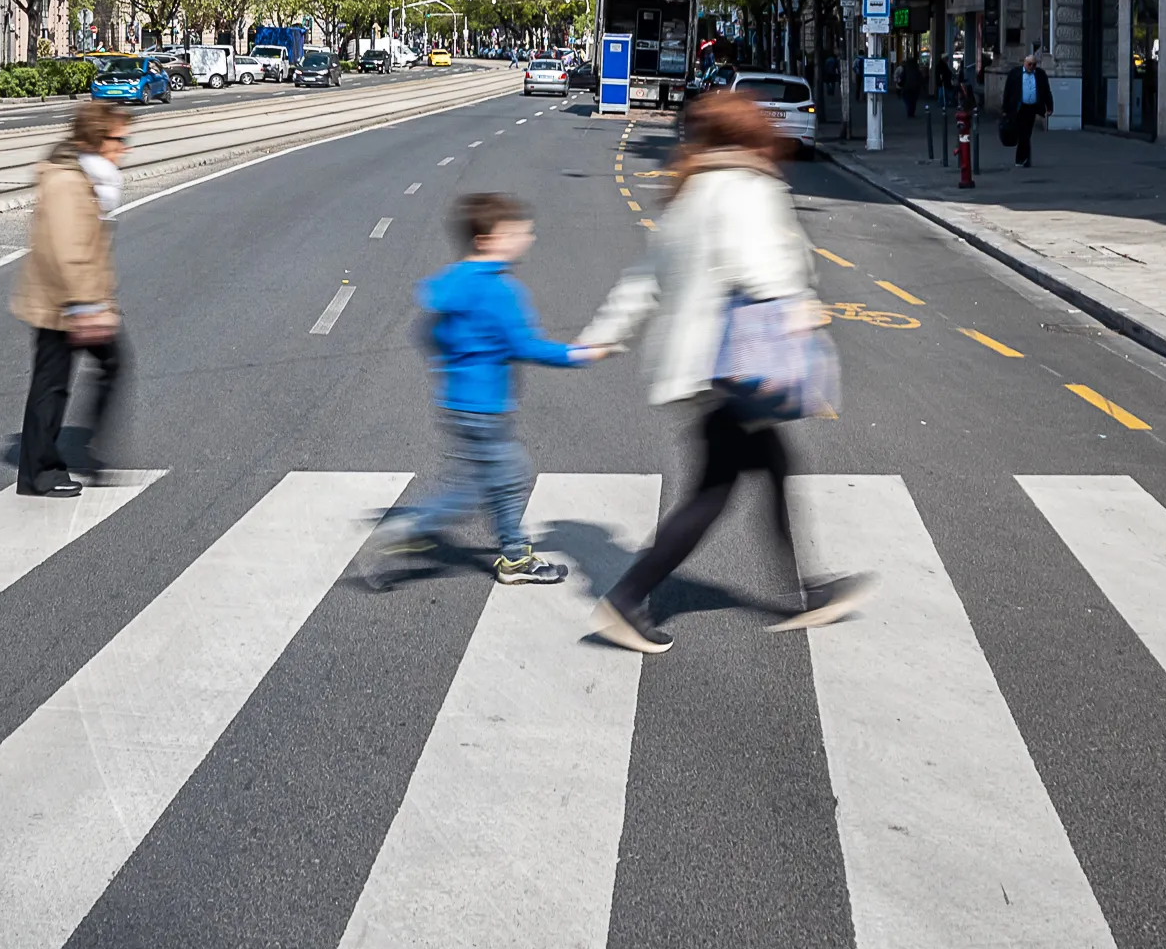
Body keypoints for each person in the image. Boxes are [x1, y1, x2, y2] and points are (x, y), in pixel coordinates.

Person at [574, 87, 873, 652]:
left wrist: (602, 336)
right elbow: (758, 265)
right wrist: (797, 302)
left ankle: (813, 590)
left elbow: (644, 278)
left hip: (702, 368)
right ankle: (625, 599)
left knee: (774, 467)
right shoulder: (750, 188)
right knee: (713, 493)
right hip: (740, 366)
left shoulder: (687, 195)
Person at [369, 192, 616, 585]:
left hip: (458, 402)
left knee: (498, 477)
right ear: (486, 240)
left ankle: (511, 552)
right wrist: (580, 354)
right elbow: (525, 346)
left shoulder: (453, 282)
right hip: (484, 408)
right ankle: (428, 532)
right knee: (492, 482)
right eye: (516, 233)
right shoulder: (500, 291)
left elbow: (427, 332)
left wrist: (455, 363)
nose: (527, 239)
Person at [12, 100, 132, 494]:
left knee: (60, 381)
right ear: (98, 139)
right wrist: (87, 306)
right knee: (53, 385)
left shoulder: (87, 178)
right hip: (61, 303)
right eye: (118, 139)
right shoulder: (68, 180)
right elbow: (68, 249)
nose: (124, 147)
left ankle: (44, 466)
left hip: (73, 300)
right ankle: (40, 472)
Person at [1001, 52, 1050, 166]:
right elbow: (1007, 92)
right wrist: (1005, 109)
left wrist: (1049, 106)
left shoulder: (1040, 74)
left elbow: (1046, 91)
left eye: (1034, 65)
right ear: (1024, 63)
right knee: (1023, 134)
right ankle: (1023, 159)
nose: (1032, 67)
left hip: (1032, 108)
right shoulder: (1015, 73)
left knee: (1026, 133)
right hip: (1019, 107)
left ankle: (1023, 159)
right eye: (1029, 64)